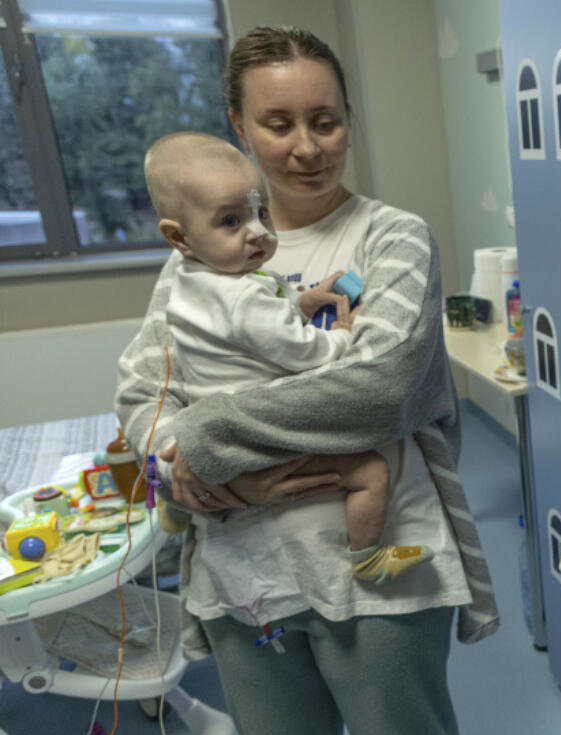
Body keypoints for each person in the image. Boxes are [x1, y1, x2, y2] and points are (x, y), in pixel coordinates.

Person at [116, 26, 497, 735]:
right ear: (239, 127)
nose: (305, 147)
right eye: (277, 124)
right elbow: (140, 398)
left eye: (324, 120)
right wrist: (177, 465)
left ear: (348, 119)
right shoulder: (188, 263)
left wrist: (207, 441)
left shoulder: (391, 239)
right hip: (242, 576)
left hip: (382, 572)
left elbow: (378, 389)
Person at [144, 131, 433, 589]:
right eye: (232, 221)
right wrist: (342, 337)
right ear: (179, 237)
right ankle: (368, 558)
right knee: (369, 472)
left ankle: (173, 507)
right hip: (255, 436)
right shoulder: (242, 297)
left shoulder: (192, 284)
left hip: (206, 432)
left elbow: (253, 324)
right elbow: (298, 351)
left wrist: (304, 299)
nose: (258, 231)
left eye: (260, 213)